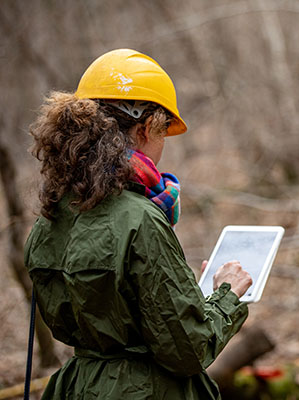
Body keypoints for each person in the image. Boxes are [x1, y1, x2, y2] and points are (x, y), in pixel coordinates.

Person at [25, 48, 252, 399]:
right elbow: (189, 349)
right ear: (147, 129)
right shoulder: (140, 218)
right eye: (164, 133)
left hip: (76, 388)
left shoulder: (51, 215)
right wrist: (227, 295)